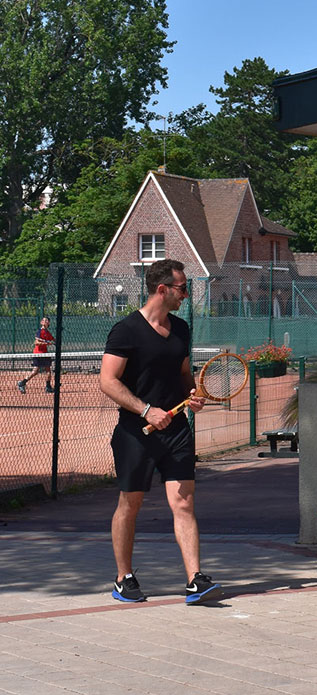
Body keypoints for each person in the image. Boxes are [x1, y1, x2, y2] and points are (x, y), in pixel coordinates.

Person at [98, 259, 222, 605]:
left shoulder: (180, 329)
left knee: (184, 501)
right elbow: (107, 381)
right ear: (162, 289)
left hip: (177, 429)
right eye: (183, 288)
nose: (186, 295)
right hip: (136, 433)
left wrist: (192, 396)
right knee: (130, 503)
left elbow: (184, 374)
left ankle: (195, 579)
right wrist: (145, 409)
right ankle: (124, 578)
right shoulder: (126, 331)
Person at [16, 316, 56, 394]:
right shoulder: (39, 331)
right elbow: (36, 342)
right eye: (43, 320)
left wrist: (55, 342)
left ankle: (48, 387)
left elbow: (53, 340)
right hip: (38, 353)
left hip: (45, 354)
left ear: (49, 323)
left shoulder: (48, 333)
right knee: (35, 371)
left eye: (46, 320)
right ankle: (22, 383)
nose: (45, 321)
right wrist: (47, 343)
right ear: (41, 322)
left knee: (48, 370)